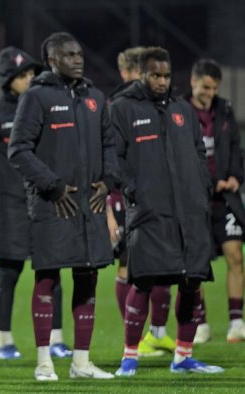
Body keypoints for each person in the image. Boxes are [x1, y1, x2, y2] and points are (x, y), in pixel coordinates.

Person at [8, 32, 118, 381]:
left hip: (91, 204)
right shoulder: (36, 97)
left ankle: (81, 363)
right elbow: (18, 149)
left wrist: (109, 180)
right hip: (53, 205)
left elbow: (111, 145)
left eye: (79, 52)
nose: (78, 58)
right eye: (69, 54)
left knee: (88, 277)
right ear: (52, 60)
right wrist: (52, 186)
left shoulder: (96, 98)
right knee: (48, 277)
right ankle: (44, 362)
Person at [112, 47, 224, 376]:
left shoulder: (183, 110)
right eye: (154, 75)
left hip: (189, 212)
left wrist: (202, 189)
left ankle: (183, 356)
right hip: (149, 210)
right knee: (143, 281)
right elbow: (115, 158)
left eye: (165, 75)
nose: (161, 81)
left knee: (191, 281)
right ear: (141, 74)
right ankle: (130, 356)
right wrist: (134, 191)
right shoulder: (122, 108)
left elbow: (197, 152)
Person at [0, 46, 71, 361]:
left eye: (31, 73)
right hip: (10, 205)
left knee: (51, 271)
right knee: (8, 272)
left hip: (43, 199)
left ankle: (56, 339)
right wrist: (1, 181)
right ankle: (5, 341)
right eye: (22, 75)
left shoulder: (46, 106)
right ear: (7, 80)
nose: (29, 79)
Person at [107, 46, 176, 357]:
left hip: (155, 199)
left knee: (162, 264)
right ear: (126, 73)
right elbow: (108, 158)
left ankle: (156, 333)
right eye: (137, 71)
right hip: (123, 197)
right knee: (126, 265)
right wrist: (108, 207)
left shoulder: (158, 106)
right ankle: (132, 334)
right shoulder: (115, 107)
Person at [186, 59, 245, 344]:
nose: (210, 92)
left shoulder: (224, 110)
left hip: (226, 199)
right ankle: (200, 324)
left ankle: (237, 321)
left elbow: (235, 146)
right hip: (196, 201)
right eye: (205, 86)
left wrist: (236, 176)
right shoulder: (180, 112)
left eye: (214, 88)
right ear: (192, 82)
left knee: (235, 255)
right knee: (198, 264)